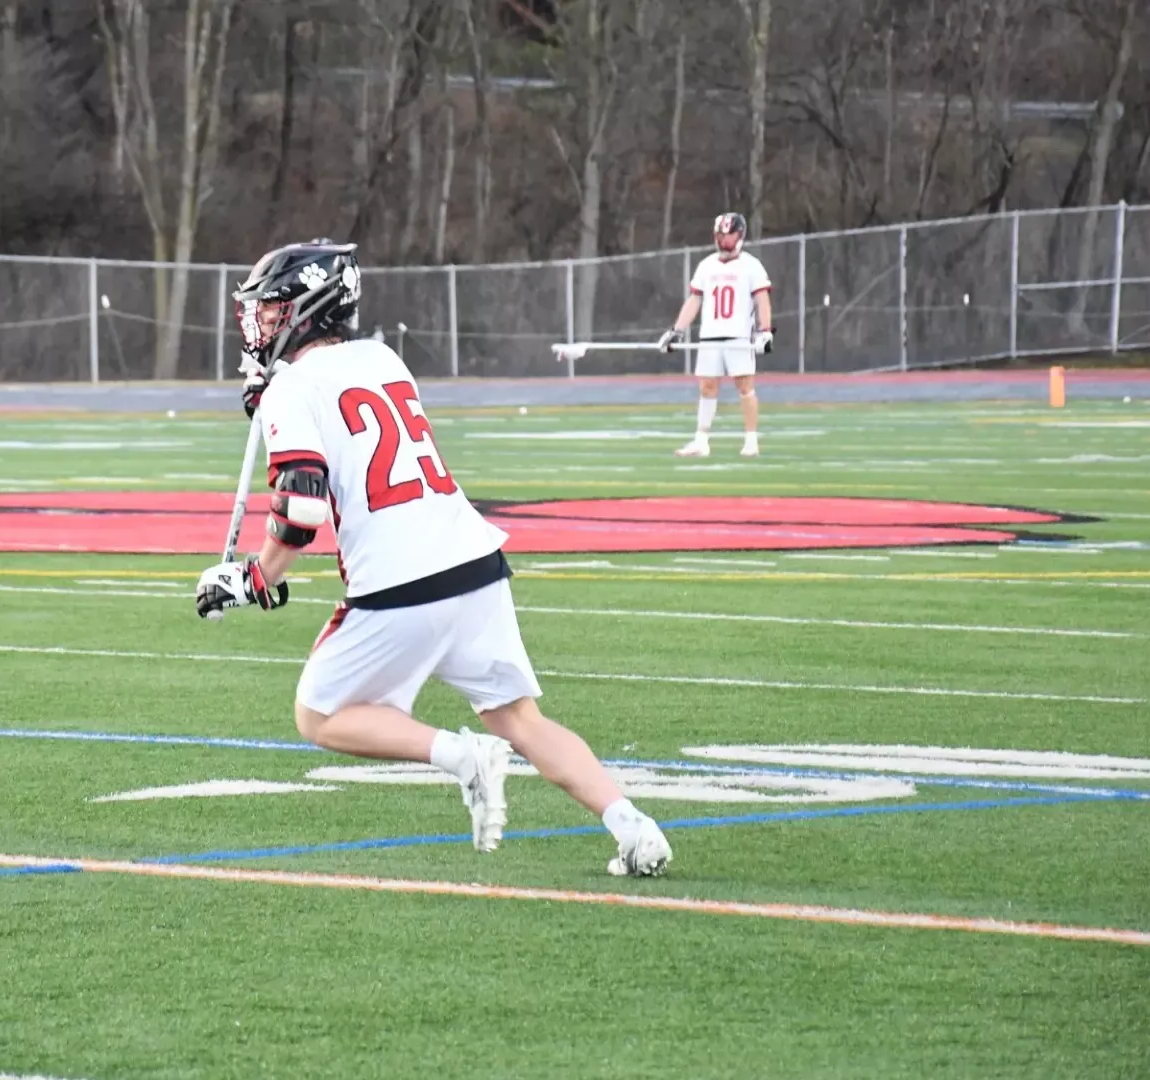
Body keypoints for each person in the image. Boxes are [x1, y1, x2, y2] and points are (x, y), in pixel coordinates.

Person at [193, 239, 672, 877]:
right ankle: (634, 828)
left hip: (401, 581)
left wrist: (253, 577)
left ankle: (460, 755)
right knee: (521, 719)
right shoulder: (385, 358)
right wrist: (277, 398)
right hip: (473, 562)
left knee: (319, 713)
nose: (262, 323)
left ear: (310, 308)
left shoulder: (293, 388)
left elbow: (302, 509)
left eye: (275, 308)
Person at [657, 212, 775, 458]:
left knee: (745, 386)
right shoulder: (706, 265)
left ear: (739, 235)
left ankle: (751, 440)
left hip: (738, 337)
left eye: (729, 234)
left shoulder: (751, 265)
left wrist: (765, 331)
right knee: (707, 387)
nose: (724, 240)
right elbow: (695, 300)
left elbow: (762, 299)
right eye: (720, 234)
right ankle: (701, 440)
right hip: (710, 336)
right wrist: (676, 331)